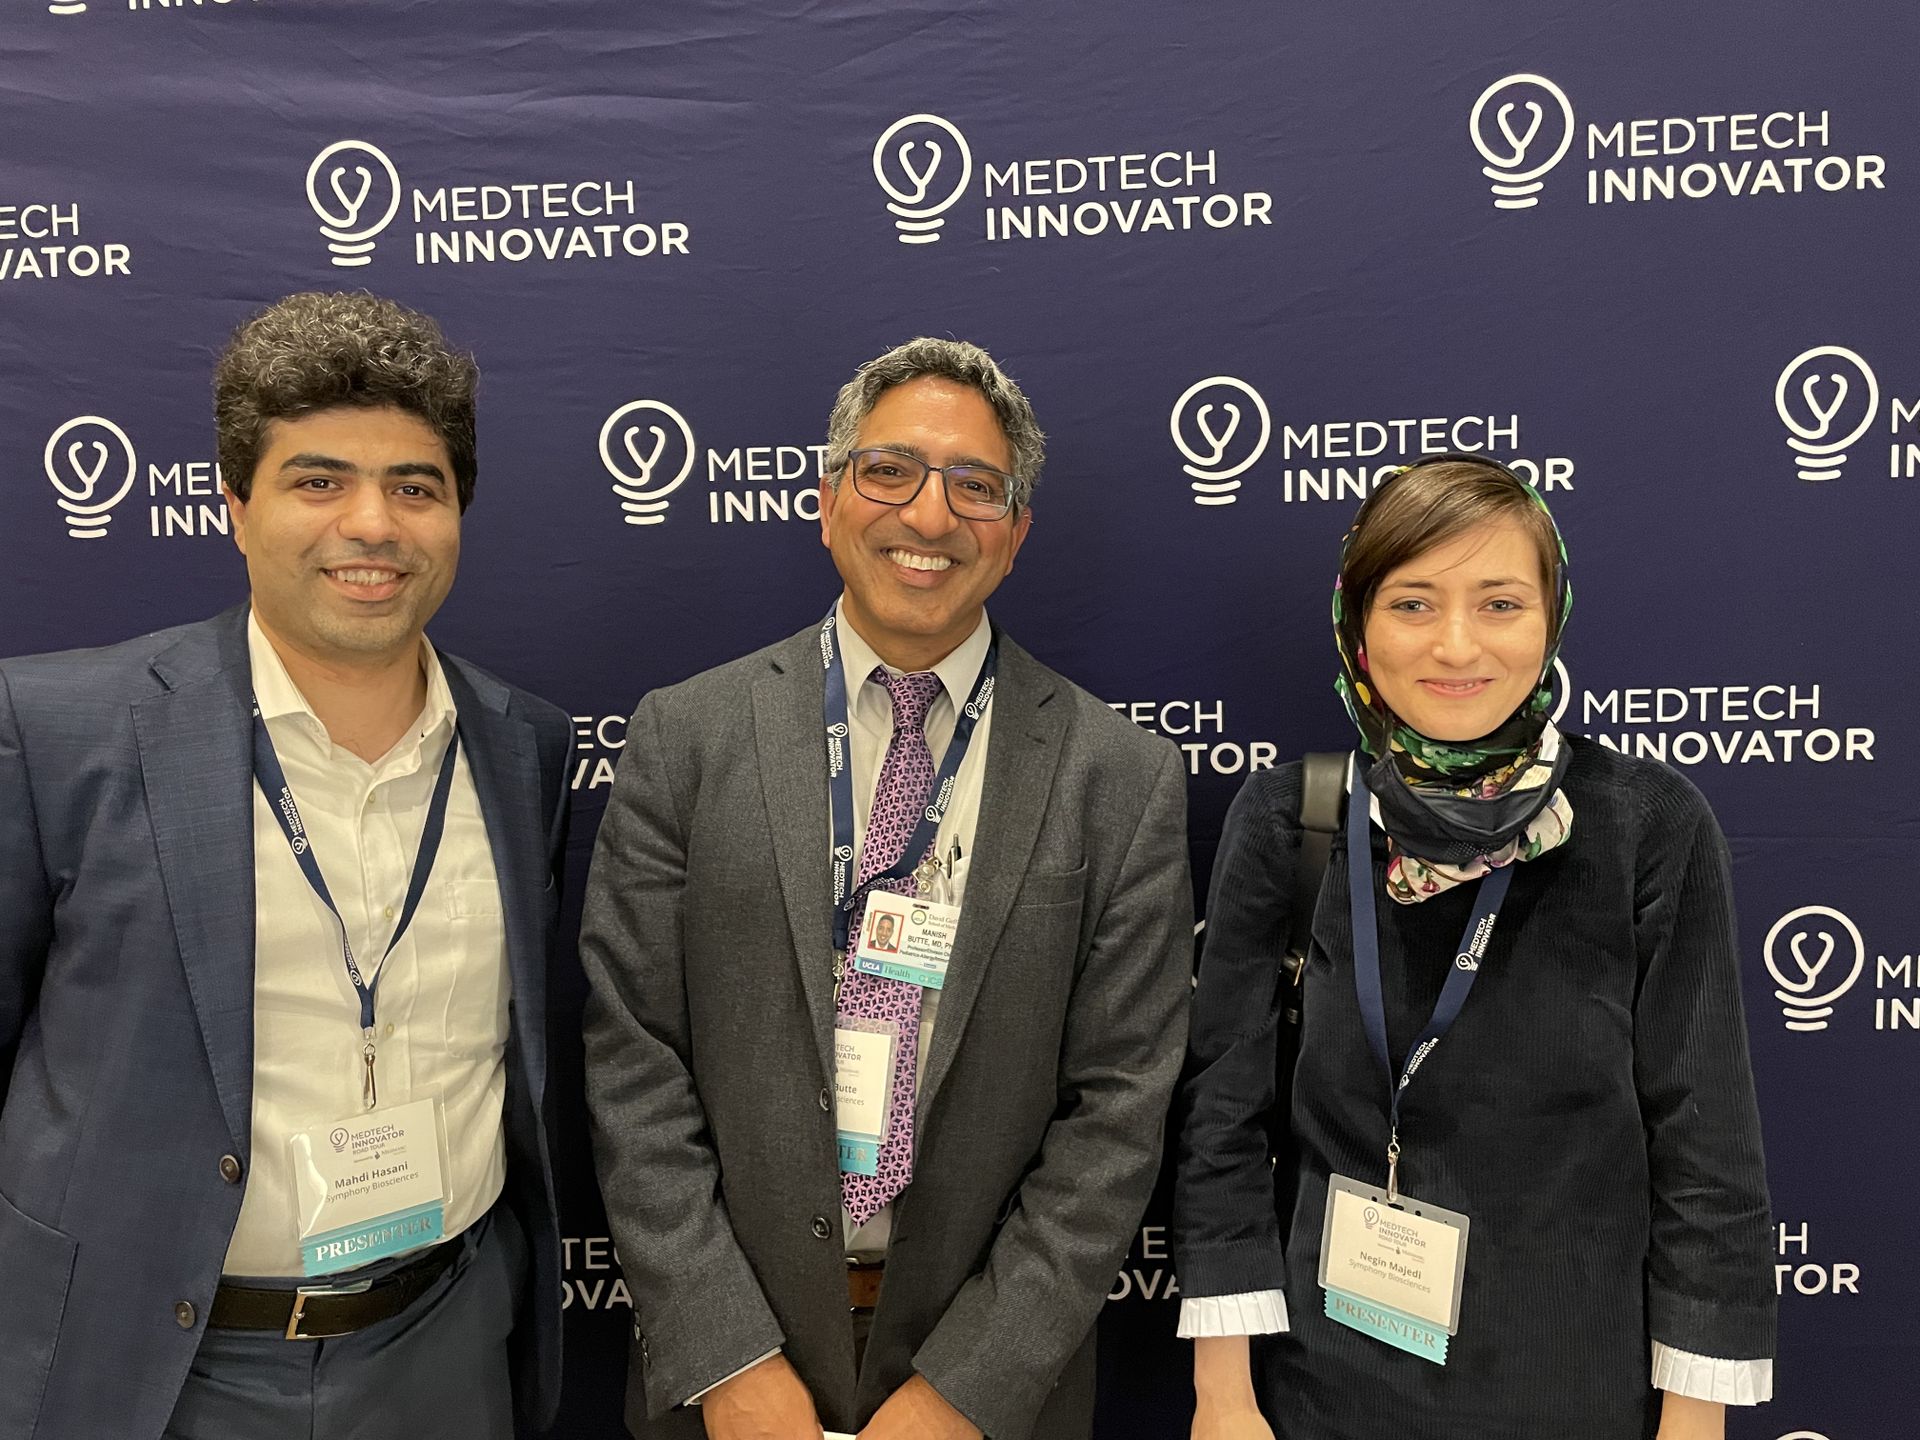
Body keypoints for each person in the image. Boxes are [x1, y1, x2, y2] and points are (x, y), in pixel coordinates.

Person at [581, 337, 1192, 1440]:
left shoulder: (1122, 777)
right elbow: (632, 1058)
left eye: (976, 486)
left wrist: (971, 1386)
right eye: (890, 471)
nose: (929, 514)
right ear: (827, 503)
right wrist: (725, 1354)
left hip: (991, 1392)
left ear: (1014, 536)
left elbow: (1119, 1113)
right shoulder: (688, 736)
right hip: (732, 1382)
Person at [0, 292, 571, 1440]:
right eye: (319, 481)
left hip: (444, 1346)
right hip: (153, 1366)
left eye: (416, 487)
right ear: (234, 505)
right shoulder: (60, 731)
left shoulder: (524, 747)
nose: (373, 524)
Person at [1171, 456, 1775, 1440]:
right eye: (1413, 602)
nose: (1457, 645)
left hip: (1581, 1390)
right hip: (1323, 1391)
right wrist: (1223, 1398)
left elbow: (1704, 1143)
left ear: (1551, 619)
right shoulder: (1297, 819)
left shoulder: (1647, 825)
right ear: (1357, 627)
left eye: (1500, 603)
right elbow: (1223, 1122)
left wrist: (1693, 1420)